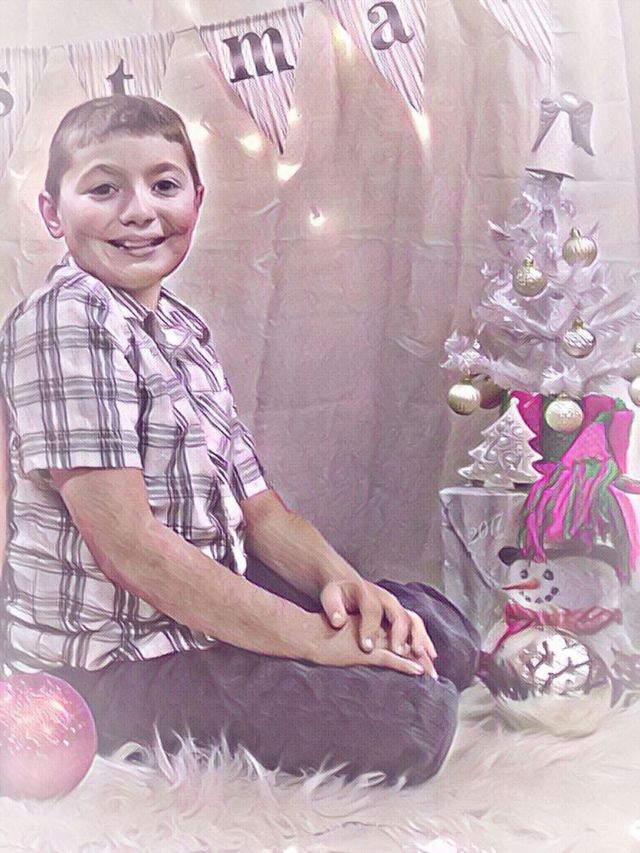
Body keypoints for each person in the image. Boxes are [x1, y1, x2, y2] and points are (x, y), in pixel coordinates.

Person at [0, 95, 481, 787]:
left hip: (205, 600)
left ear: (196, 200)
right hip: (114, 657)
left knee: (436, 625)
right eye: (104, 189)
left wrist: (342, 585)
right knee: (412, 722)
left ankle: (361, 647)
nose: (139, 211)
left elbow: (260, 511)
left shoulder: (181, 329)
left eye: (164, 185)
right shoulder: (65, 321)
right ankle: (344, 677)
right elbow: (131, 549)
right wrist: (312, 640)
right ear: (53, 213)